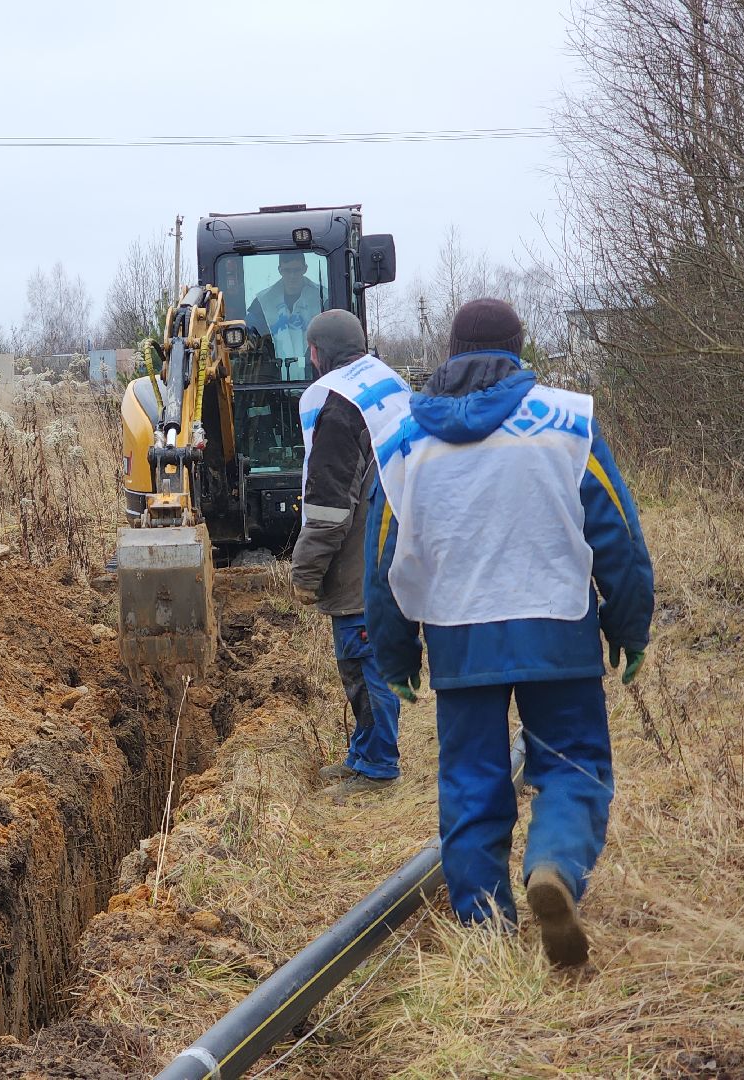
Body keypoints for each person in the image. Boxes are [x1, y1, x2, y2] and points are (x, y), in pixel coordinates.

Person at [362, 298, 654, 967]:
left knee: (471, 782)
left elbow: (383, 563)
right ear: (519, 349)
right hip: (559, 630)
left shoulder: (404, 439)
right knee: (575, 768)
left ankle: (487, 933)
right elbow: (618, 535)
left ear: (449, 349)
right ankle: (552, 865)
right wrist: (629, 627)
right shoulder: (566, 420)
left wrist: (396, 653)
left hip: (459, 637)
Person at [291, 308, 404, 797]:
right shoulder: (383, 383)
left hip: (363, 561)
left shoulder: (338, 408)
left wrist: (305, 573)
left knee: (363, 662)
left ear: (318, 354)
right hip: (398, 543)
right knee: (367, 658)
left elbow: (329, 510)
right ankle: (364, 750)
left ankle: (379, 765)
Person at [246, 252, 324, 373]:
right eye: (287, 270)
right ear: (279, 270)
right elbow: (250, 331)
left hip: (314, 370)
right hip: (275, 373)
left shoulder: (323, 297)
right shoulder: (263, 302)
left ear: (305, 269)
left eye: (297, 270)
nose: (292, 275)